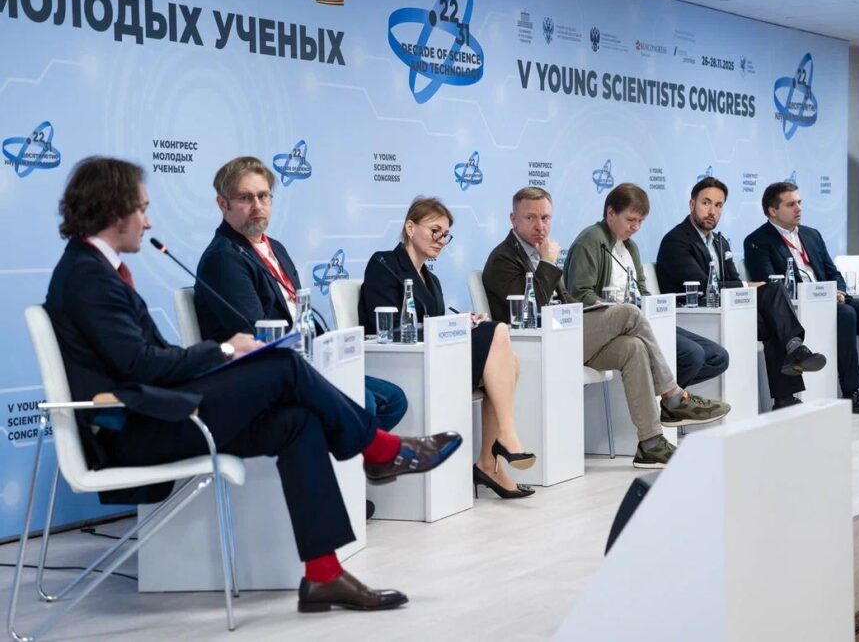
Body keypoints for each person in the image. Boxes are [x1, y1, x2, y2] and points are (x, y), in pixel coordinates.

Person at [44, 157, 462, 612]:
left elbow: (144, 358)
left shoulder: (96, 269)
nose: (147, 222)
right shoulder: (87, 275)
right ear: (112, 211)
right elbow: (142, 365)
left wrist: (214, 358)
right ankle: (381, 450)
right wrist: (224, 351)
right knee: (282, 364)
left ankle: (323, 575)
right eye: (141, 209)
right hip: (136, 430)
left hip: (156, 413)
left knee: (299, 422)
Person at [482, 186, 729, 471]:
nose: (540, 226)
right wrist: (548, 263)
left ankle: (651, 444)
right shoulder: (502, 258)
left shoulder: (542, 249)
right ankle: (673, 396)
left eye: (546, 218)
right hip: (536, 344)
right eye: (530, 218)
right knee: (630, 313)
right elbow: (530, 309)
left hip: (566, 333)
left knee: (633, 348)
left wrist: (591, 312)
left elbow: (567, 301)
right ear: (513, 219)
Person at [194, 156, 408, 434]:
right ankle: (352, 452)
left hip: (306, 359)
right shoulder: (224, 258)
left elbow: (297, 309)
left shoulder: (275, 247)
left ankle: (352, 453)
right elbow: (255, 332)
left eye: (263, 196)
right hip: (262, 372)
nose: (257, 206)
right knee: (363, 401)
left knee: (394, 400)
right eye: (245, 198)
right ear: (223, 204)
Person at [359, 197, 535, 499]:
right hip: (406, 362)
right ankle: (499, 447)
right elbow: (386, 328)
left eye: (446, 235)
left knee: (509, 359)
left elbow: (434, 326)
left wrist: (461, 322)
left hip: (435, 356)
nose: (441, 240)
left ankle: (490, 460)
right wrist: (451, 325)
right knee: (500, 334)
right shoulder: (384, 264)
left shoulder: (433, 280)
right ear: (410, 227)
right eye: (435, 231)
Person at [656, 177, 826, 410]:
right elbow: (704, 286)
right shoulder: (676, 241)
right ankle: (791, 369)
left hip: (725, 310)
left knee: (774, 308)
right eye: (706, 203)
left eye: (718, 205)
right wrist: (747, 286)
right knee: (773, 302)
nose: (712, 211)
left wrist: (743, 286)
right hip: (694, 317)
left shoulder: (720, 242)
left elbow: (732, 280)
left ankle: (793, 357)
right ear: (692, 204)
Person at [743, 181, 859, 414]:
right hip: (798, 310)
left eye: (799, 202)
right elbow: (770, 285)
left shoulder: (812, 235)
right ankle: (851, 392)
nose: (798, 208)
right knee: (846, 315)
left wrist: (838, 291)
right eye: (791, 204)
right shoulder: (757, 241)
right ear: (773, 210)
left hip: (832, 301)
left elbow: (832, 272)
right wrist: (822, 297)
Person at [564, 182, 732, 398]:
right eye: (630, 220)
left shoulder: (630, 246)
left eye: (641, 221)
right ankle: (671, 400)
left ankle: (663, 397)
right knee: (692, 355)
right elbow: (580, 294)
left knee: (718, 357)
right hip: (616, 325)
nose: (636, 227)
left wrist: (655, 307)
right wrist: (619, 312)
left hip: (643, 318)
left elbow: (642, 289)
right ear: (611, 213)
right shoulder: (591, 240)